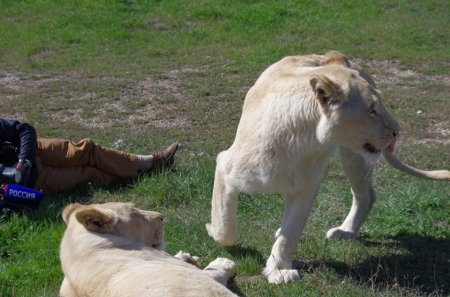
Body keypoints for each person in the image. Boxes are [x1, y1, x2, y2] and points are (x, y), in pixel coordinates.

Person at [0, 118, 179, 194]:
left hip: (32, 151)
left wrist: (24, 160)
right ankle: (143, 174)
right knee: (88, 173)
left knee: (87, 149)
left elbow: (24, 129)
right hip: (31, 180)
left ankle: (152, 162)